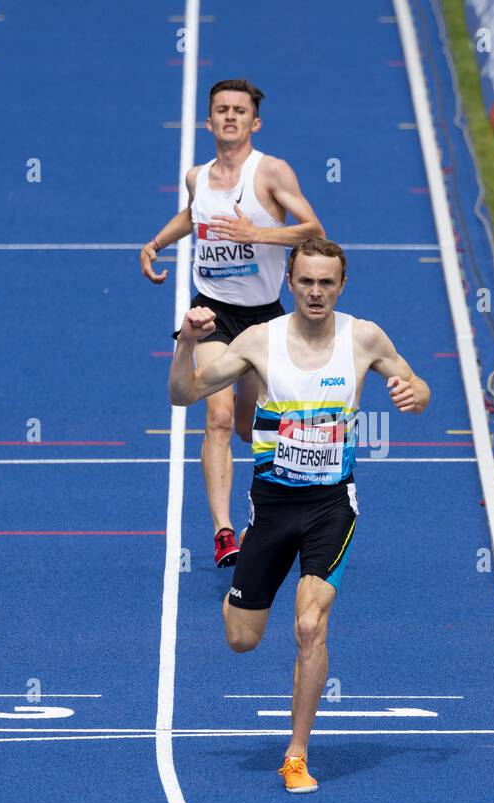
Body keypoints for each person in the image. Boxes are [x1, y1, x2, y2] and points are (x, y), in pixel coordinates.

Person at [168, 238, 431, 793]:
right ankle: (245, 579)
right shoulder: (259, 341)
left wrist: (415, 393)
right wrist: (188, 343)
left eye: (326, 283)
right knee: (242, 639)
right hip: (272, 506)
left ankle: (297, 753)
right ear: (289, 282)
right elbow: (183, 393)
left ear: (341, 285)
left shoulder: (364, 338)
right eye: (306, 281)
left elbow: (419, 385)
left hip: (331, 504)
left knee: (310, 624)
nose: (316, 292)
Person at [142, 78, 323, 568]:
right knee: (217, 416)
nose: (229, 117)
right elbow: (192, 215)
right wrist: (157, 242)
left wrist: (255, 233)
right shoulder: (196, 176)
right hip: (212, 312)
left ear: (254, 122)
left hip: (263, 317)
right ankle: (225, 532)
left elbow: (314, 230)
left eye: (239, 111)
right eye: (221, 109)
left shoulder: (272, 173)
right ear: (209, 120)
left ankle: (278, 503)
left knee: (250, 427)